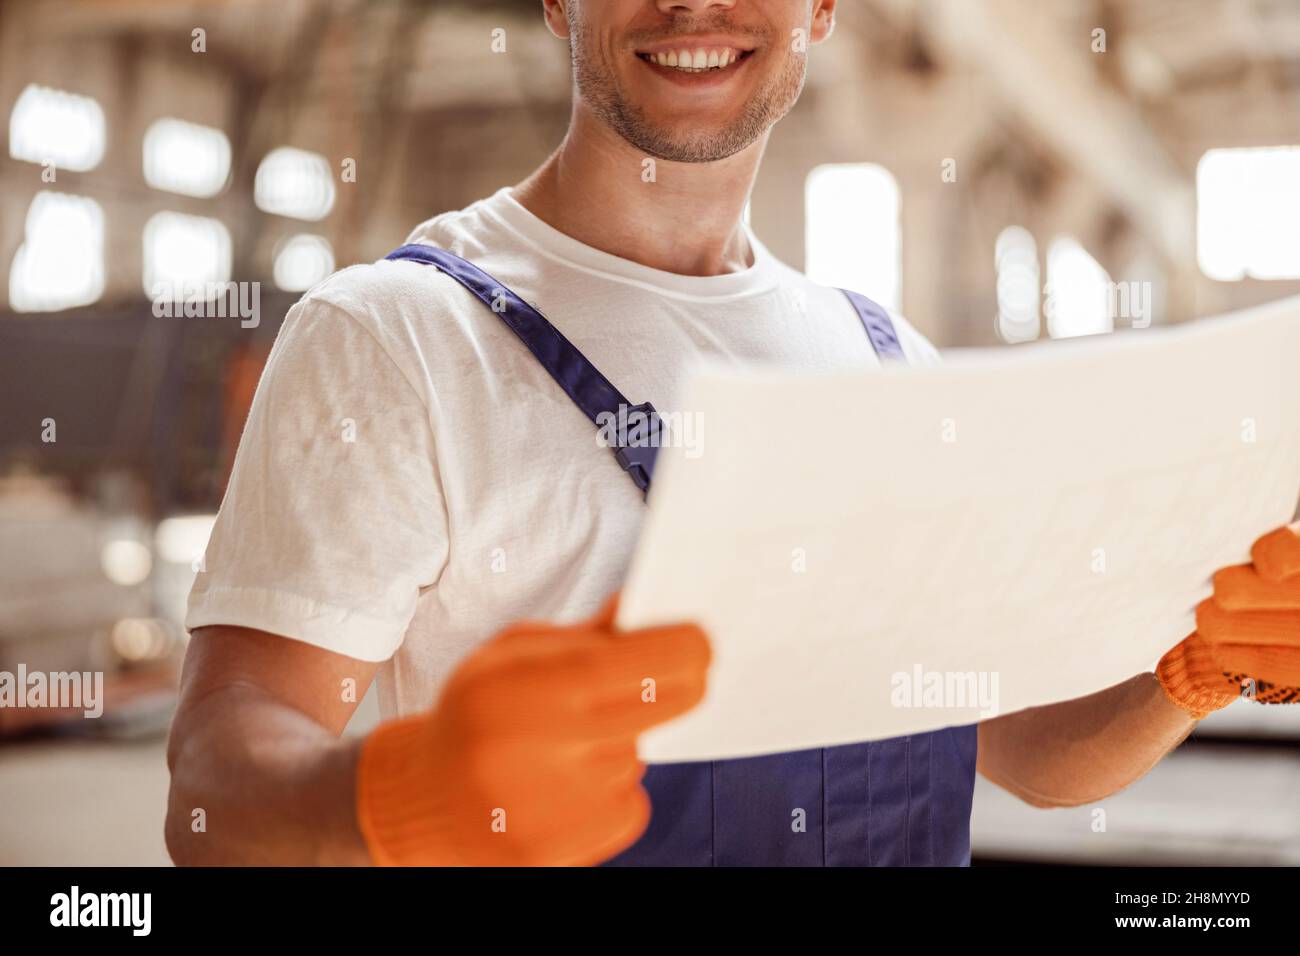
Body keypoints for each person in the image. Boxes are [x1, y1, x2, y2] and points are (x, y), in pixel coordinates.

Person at [165, 0, 1300, 866]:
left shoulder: (884, 356)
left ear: (822, 9)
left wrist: (1193, 668)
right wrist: (384, 794)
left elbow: (1027, 754)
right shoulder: (397, 334)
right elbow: (213, 780)